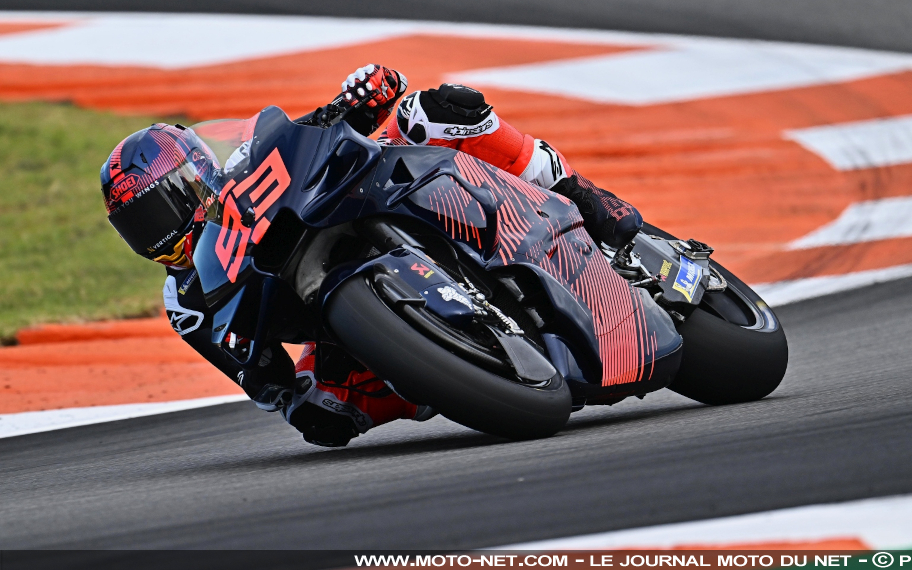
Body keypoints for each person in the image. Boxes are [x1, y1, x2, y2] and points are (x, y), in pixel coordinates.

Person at [99, 64, 643, 447]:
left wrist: (358, 98)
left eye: (164, 206)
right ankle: (463, 368)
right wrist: (292, 401)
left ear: (197, 177)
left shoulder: (244, 167)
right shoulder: (188, 301)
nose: (161, 232)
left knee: (437, 110)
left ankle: (576, 191)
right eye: (140, 227)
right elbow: (261, 376)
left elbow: (308, 134)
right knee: (326, 413)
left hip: (376, 197)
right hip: (336, 324)